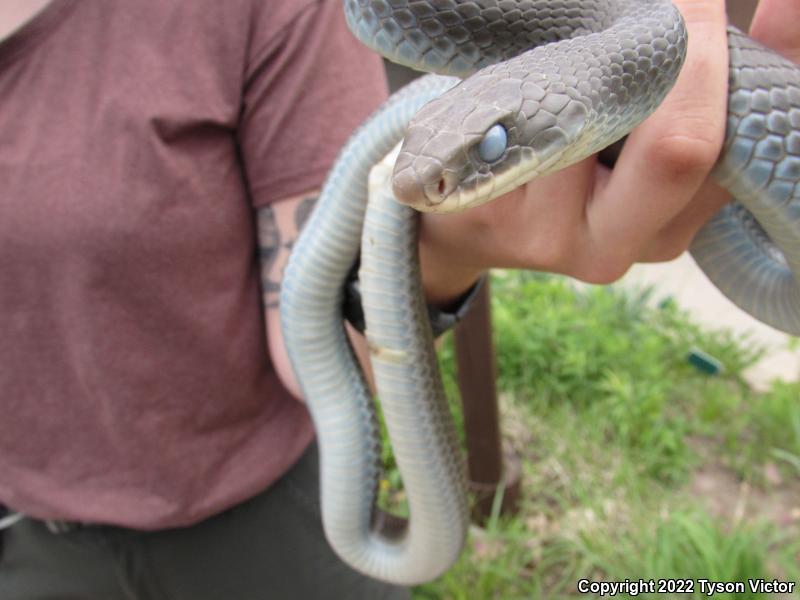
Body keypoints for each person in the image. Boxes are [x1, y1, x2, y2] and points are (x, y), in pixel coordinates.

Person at [0, 0, 796, 598]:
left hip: (262, 515)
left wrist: (445, 253)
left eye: (487, 149)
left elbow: (306, 345)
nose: (430, 185)